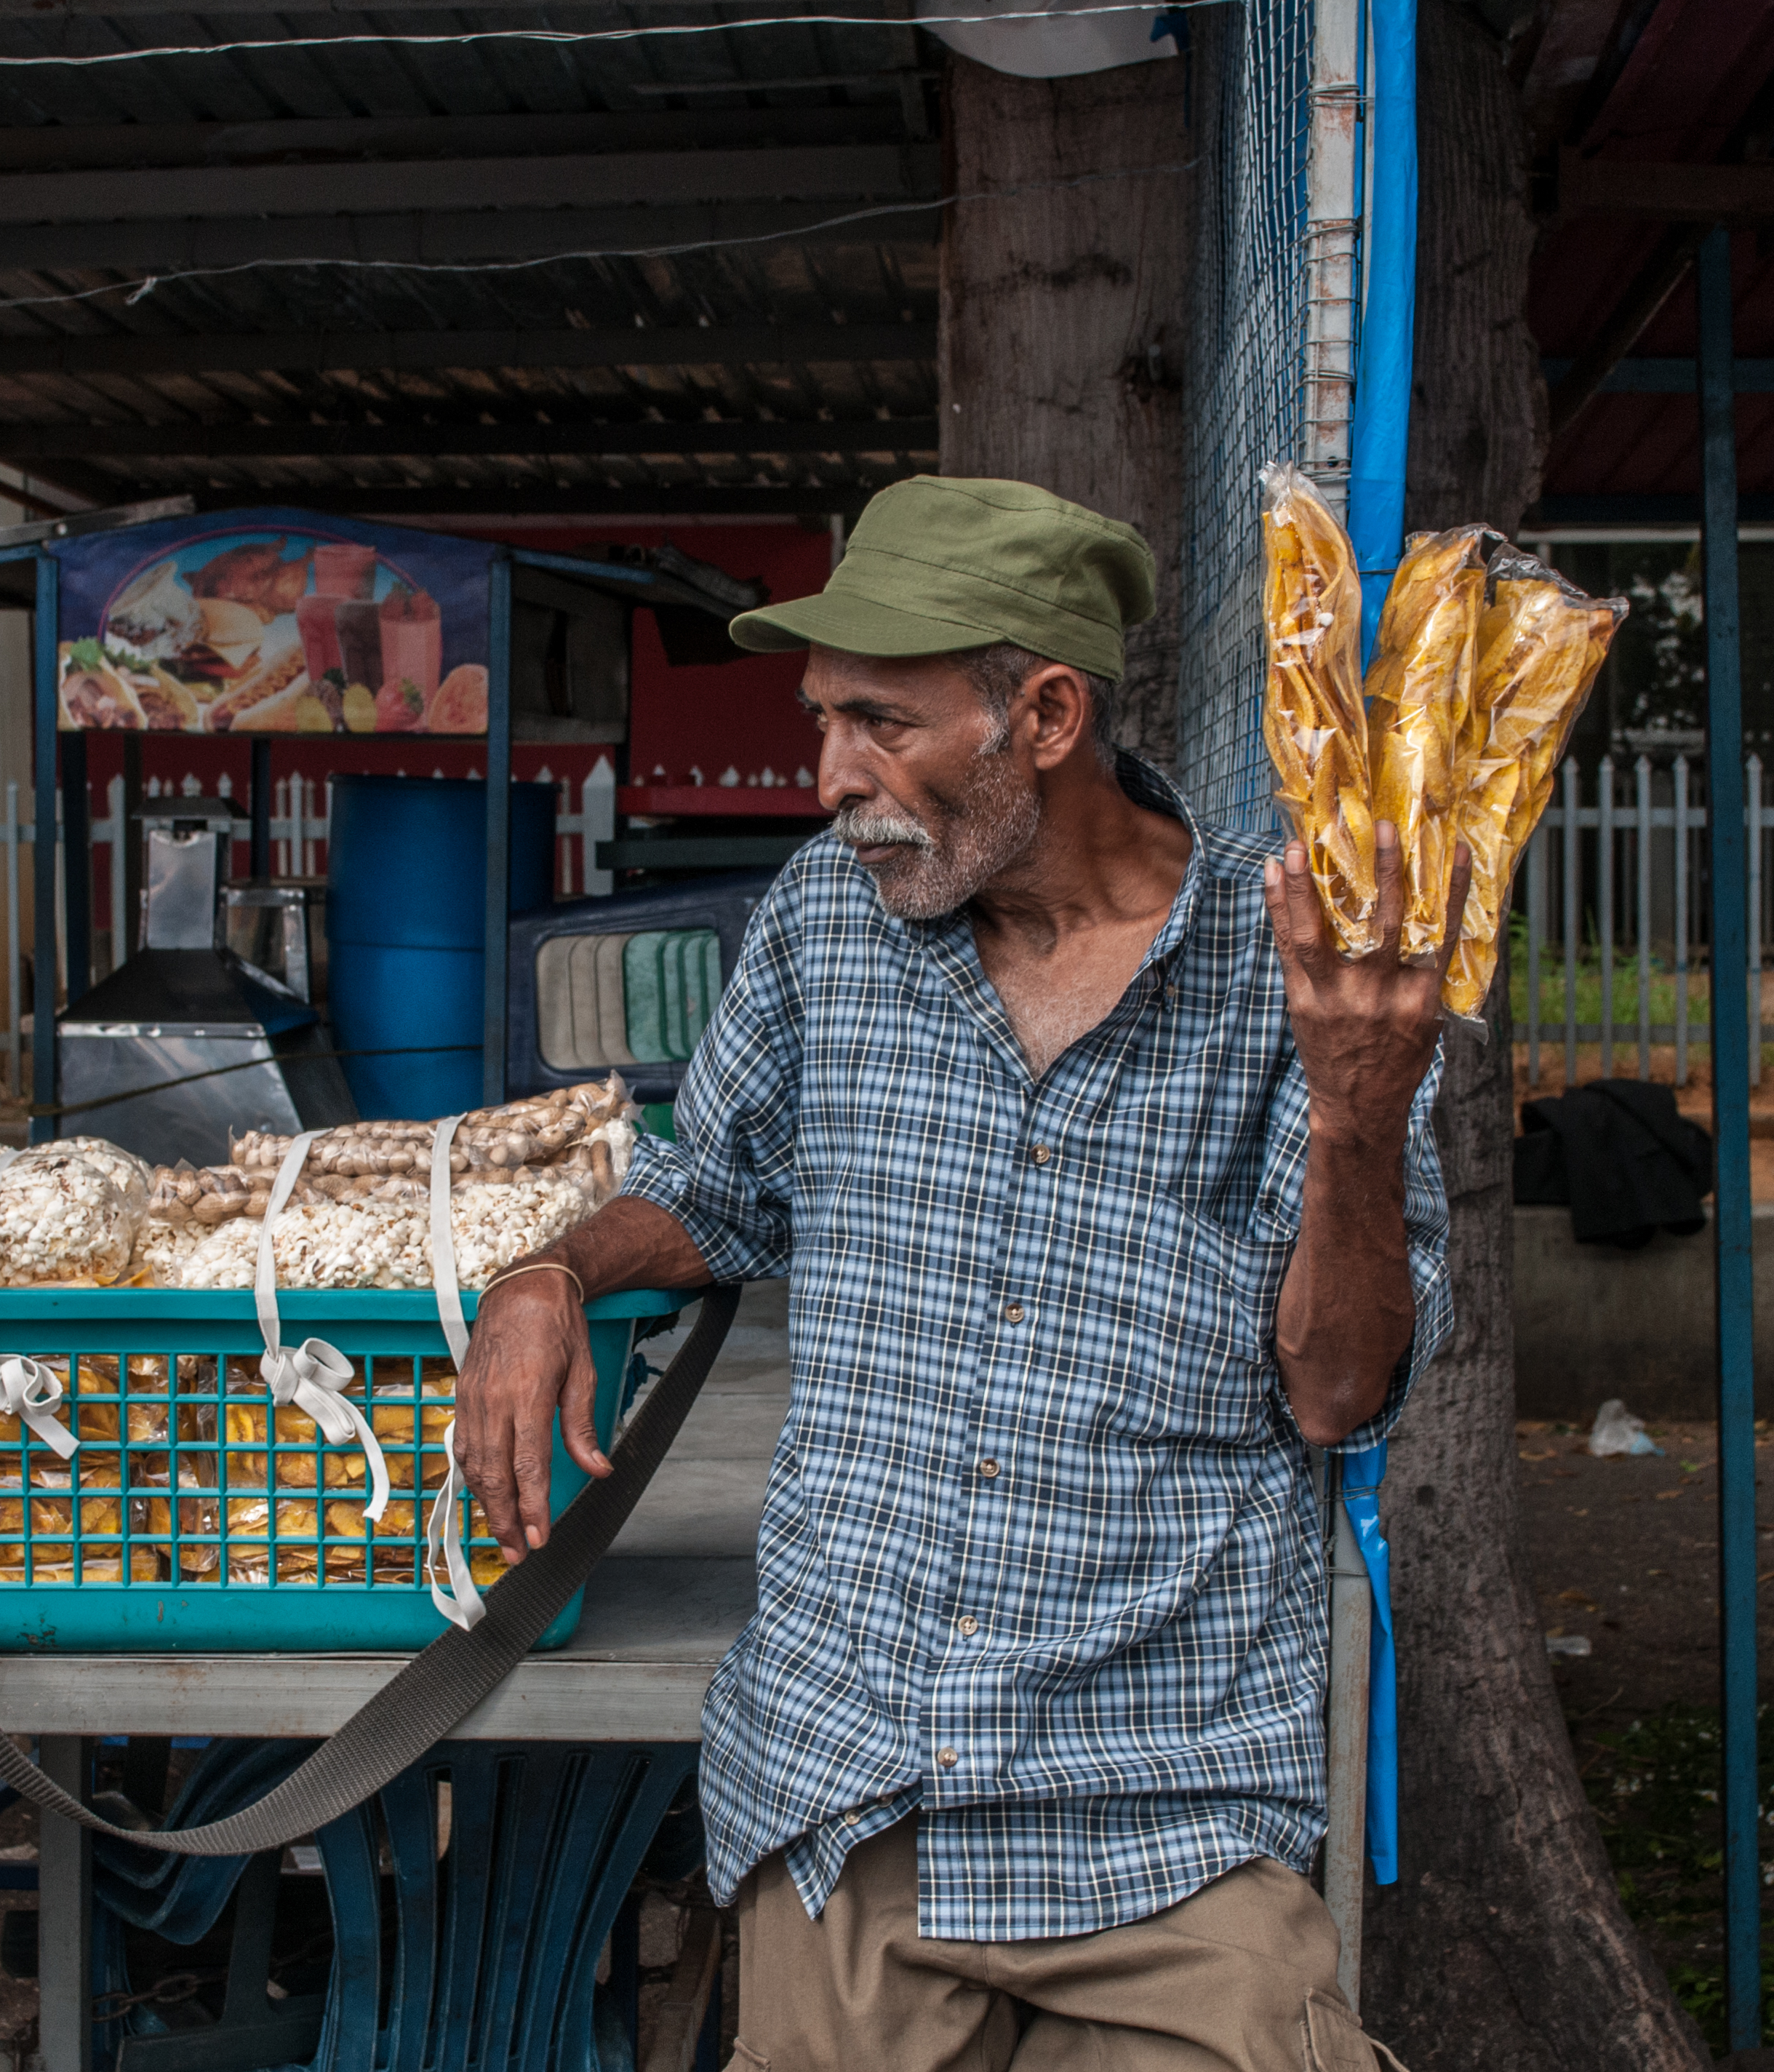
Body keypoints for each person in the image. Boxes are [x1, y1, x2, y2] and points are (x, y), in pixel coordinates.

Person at [454, 477, 1451, 2071]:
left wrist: (1358, 1115)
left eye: (880, 723)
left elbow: (1335, 1389)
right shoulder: (825, 927)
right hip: (854, 1797)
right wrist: (546, 1273)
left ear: (1045, 714)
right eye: (823, 719)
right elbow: (707, 1189)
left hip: (1163, 1823)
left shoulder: (1305, 970)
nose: (833, 776)